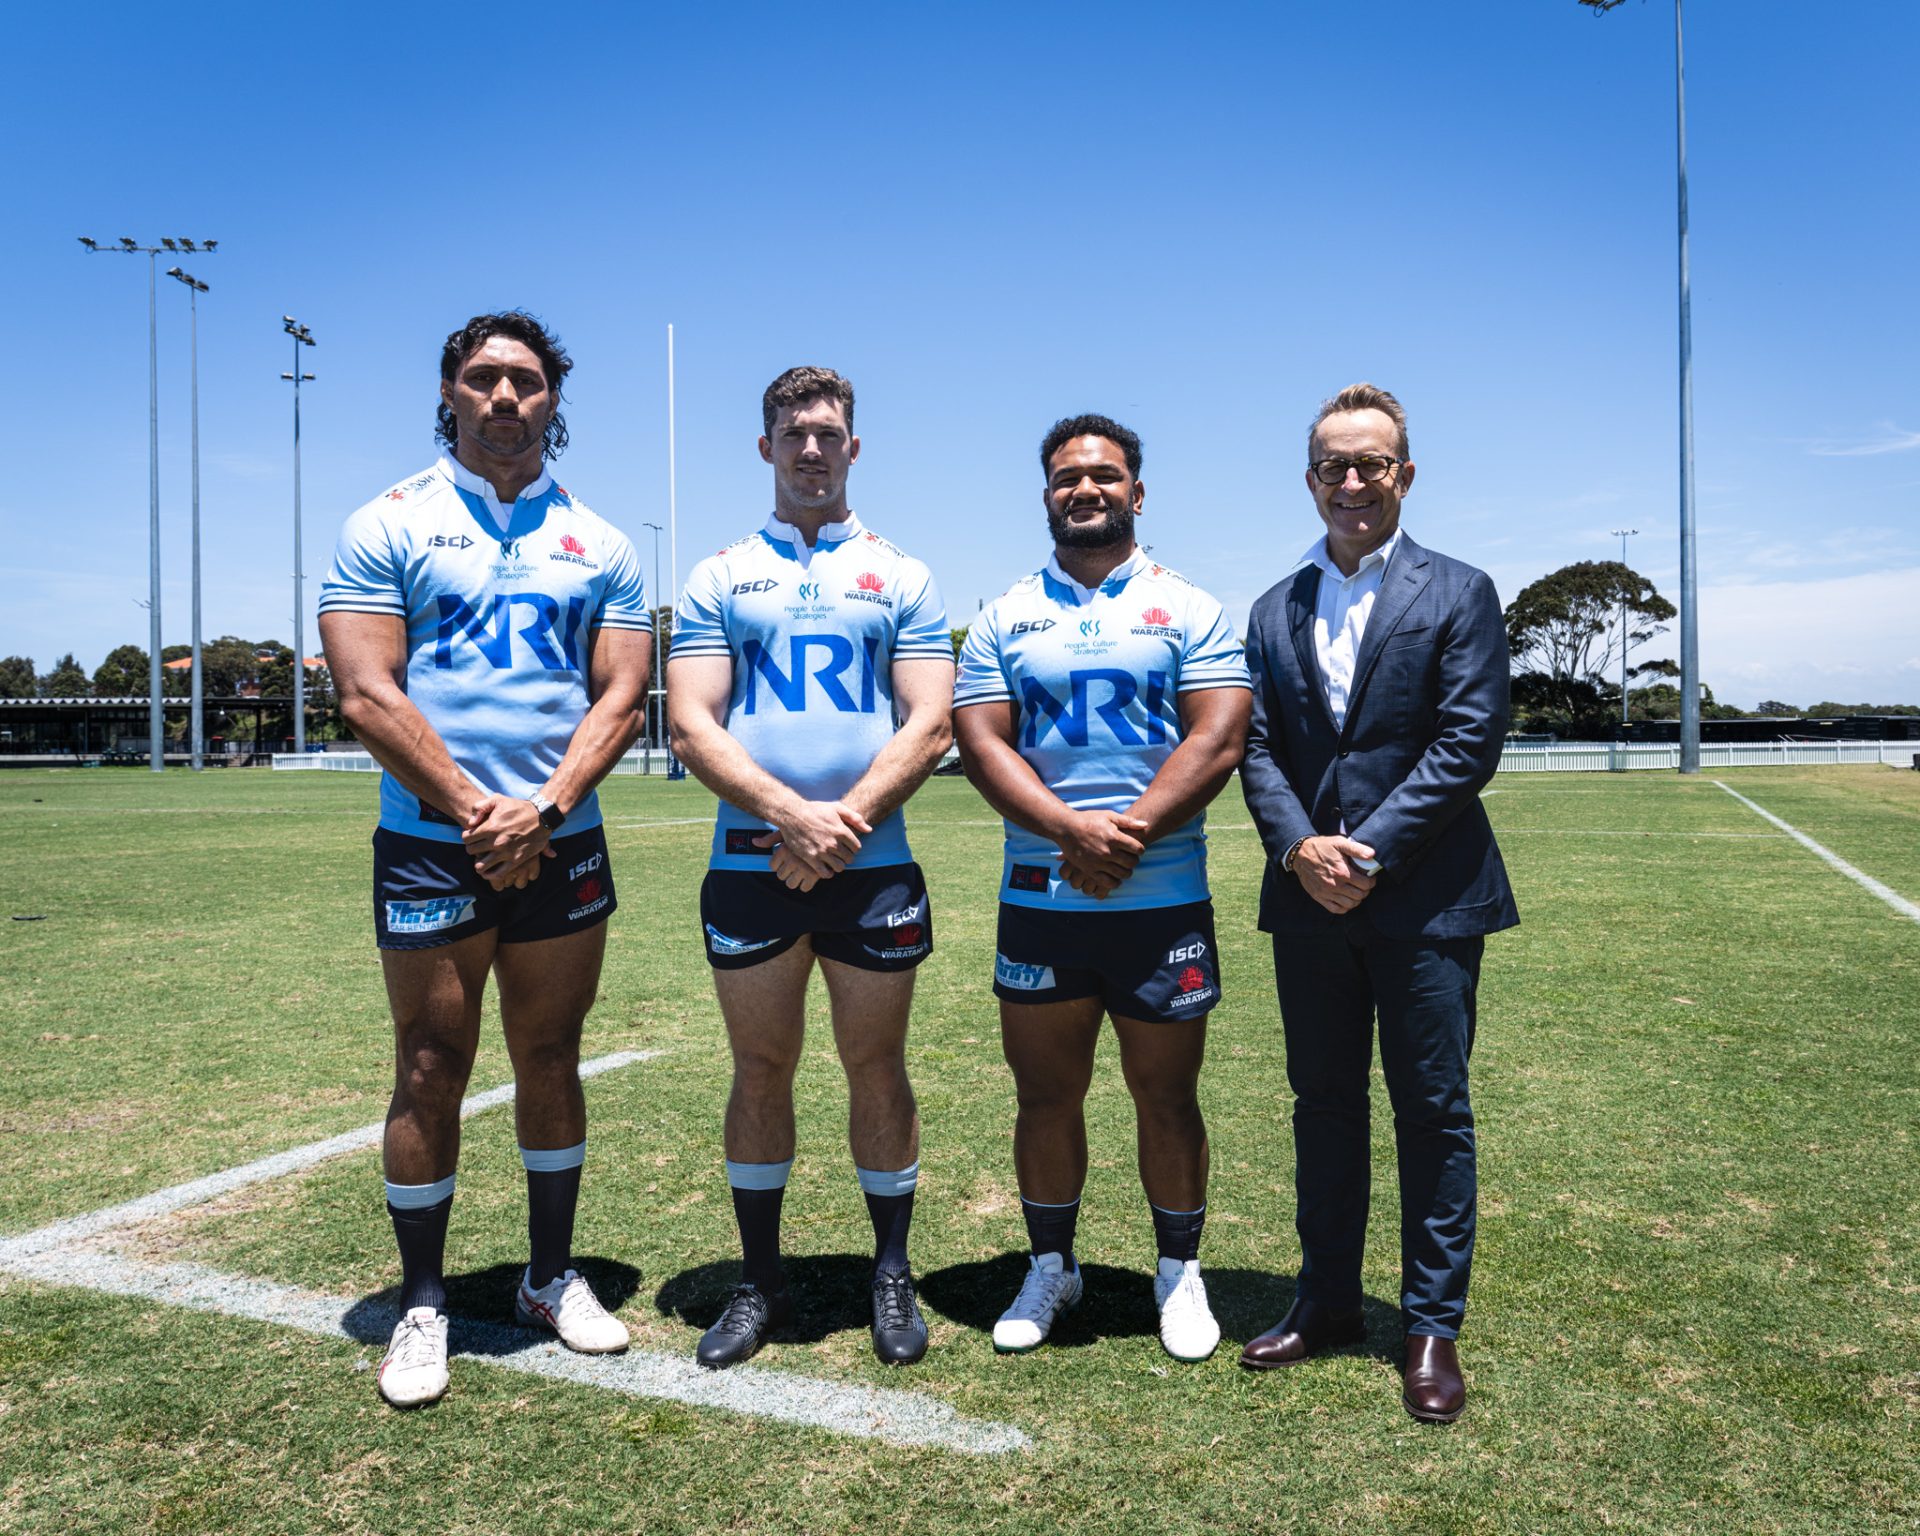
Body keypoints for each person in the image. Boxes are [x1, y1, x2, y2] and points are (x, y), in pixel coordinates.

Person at [317, 312, 652, 1409]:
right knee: (428, 1063)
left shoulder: (601, 541)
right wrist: (474, 811)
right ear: (450, 392)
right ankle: (423, 1303)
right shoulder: (388, 521)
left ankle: (550, 1278)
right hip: (433, 845)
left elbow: (622, 694)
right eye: (482, 378)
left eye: (525, 380)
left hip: (562, 842)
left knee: (551, 1055)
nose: (505, 396)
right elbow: (368, 690)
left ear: (553, 400)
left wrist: (544, 809)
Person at [1238, 383, 1517, 1422]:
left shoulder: (1460, 591)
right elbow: (1255, 747)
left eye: (1371, 464)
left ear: (1405, 473)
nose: (1351, 482)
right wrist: (1301, 847)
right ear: (1309, 478)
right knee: (1324, 1108)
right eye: (1331, 466)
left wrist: (1369, 853)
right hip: (1308, 901)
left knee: (1433, 1114)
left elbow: (1466, 741)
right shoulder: (1273, 607)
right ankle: (1327, 1303)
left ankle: (1430, 1326)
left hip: (1428, 902)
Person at [666, 366, 954, 1368]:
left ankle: (890, 1270)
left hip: (874, 867)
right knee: (761, 1068)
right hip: (751, 863)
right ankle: (761, 1280)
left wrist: (847, 824)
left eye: (829, 432)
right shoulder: (718, 573)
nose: (812, 448)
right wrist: (793, 819)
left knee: (877, 1066)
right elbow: (691, 720)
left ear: (854, 448)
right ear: (766, 449)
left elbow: (931, 719)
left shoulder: (901, 573)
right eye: (794, 433)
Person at [953, 414, 1250, 1363]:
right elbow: (981, 739)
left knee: (1167, 1096)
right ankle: (1053, 1266)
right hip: (1043, 897)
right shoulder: (1005, 614)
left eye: (1105, 476)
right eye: (1068, 478)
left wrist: (1125, 835)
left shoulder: (1189, 607)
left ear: (1136, 491)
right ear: (1046, 494)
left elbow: (1218, 736)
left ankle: (1179, 1271)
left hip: (1161, 898)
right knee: (1046, 1095)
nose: (1087, 490)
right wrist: (1068, 830)